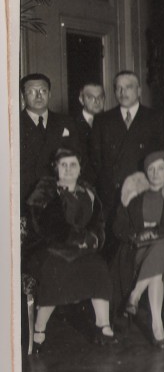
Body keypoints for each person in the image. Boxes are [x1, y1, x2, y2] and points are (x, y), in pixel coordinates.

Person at [25, 148, 117, 352]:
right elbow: (46, 226)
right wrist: (77, 238)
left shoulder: (89, 192)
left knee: (98, 267)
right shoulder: (45, 191)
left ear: (80, 168)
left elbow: (98, 223)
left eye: (72, 165)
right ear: (55, 168)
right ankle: (39, 328)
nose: (68, 170)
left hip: (82, 249)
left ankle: (103, 325)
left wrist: (93, 239)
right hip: (49, 248)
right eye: (63, 165)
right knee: (56, 270)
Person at [112, 151, 164, 347]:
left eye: (161, 168)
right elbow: (118, 228)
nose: (156, 173)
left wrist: (157, 232)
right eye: (151, 169)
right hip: (141, 252)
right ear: (145, 172)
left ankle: (136, 294)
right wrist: (138, 235)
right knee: (155, 267)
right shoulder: (133, 195)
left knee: (161, 248)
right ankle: (157, 326)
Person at [90, 71, 164, 234]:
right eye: (118, 88)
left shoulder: (155, 118)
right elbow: (95, 159)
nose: (123, 93)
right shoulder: (102, 120)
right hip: (111, 193)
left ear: (139, 90)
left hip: (145, 189)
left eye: (128, 87)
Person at [20, 73, 80, 210]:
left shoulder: (66, 122)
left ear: (50, 94)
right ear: (23, 96)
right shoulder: (14, 124)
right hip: (25, 198)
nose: (39, 95)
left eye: (43, 91)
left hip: (60, 197)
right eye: (32, 91)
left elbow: (77, 157)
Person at [73, 81, 105, 180]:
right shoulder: (71, 124)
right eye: (91, 97)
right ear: (81, 100)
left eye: (100, 97)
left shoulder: (113, 122)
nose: (97, 101)